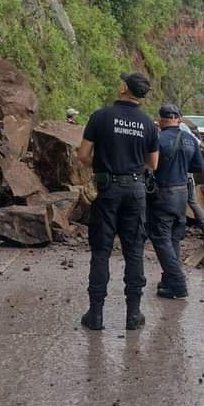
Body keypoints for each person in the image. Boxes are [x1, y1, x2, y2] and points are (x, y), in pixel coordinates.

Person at [76, 72, 159, 331]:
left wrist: (103, 166)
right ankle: (133, 315)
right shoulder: (148, 124)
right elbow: (153, 164)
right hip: (135, 191)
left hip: (107, 189)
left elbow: (82, 155)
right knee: (134, 251)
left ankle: (96, 315)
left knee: (101, 251)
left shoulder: (101, 117)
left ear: (123, 88)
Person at [149, 104, 204, 299]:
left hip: (164, 192)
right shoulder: (190, 139)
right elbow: (199, 166)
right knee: (173, 237)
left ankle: (178, 282)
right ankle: (168, 281)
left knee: (161, 238)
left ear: (161, 119)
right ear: (178, 119)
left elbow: (149, 165)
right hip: (182, 192)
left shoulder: (158, 138)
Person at [179, 119, 204, 234]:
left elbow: (194, 139)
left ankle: (182, 229)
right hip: (187, 175)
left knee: (185, 202)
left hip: (182, 175)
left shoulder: (181, 127)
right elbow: (194, 139)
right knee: (192, 201)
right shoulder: (182, 128)